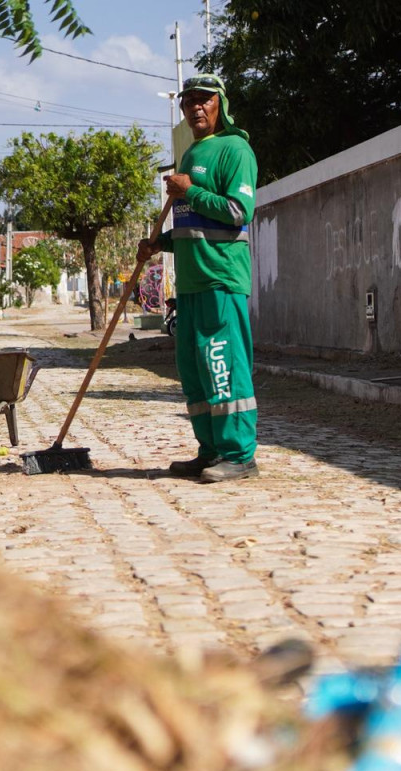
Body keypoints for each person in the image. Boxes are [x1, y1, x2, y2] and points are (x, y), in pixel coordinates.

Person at [136, 74, 259, 483]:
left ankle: (239, 455)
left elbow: (239, 212)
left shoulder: (235, 149)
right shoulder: (189, 155)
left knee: (223, 367)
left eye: (204, 100)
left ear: (220, 104)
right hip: (189, 284)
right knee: (194, 371)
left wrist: (189, 191)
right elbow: (193, 226)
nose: (195, 108)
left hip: (220, 279)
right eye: (188, 102)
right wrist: (160, 244)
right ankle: (210, 451)